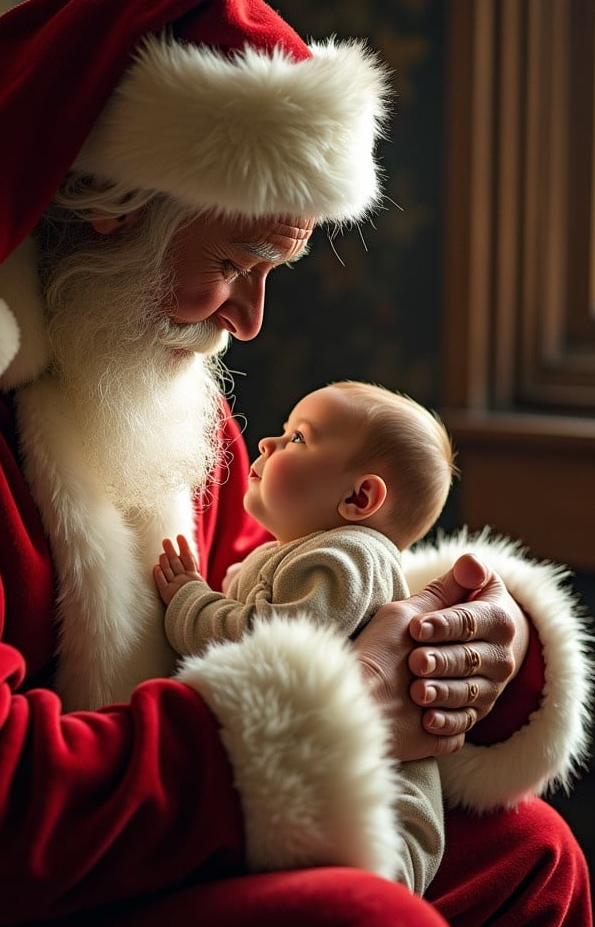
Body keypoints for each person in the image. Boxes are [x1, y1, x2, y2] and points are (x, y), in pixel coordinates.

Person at [0, 0, 595, 927]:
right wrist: (331, 704)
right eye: (237, 263)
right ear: (108, 213)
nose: (248, 320)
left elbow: (259, 587)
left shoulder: (136, 363)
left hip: (131, 836)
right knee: (370, 923)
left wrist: (447, 647)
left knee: (532, 856)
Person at [155, 380, 457, 896]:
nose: (269, 444)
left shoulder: (348, 558)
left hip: (384, 793)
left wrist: (190, 602)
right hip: (321, 778)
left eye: (298, 438)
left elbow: (270, 643)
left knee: (378, 885)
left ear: (359, 497)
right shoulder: (301, 550)